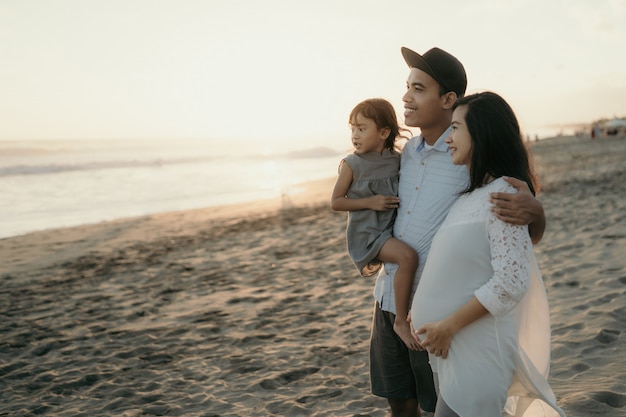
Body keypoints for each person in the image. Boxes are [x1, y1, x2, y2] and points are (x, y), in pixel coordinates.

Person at [369, 46, 547, 417]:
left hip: (442, 315)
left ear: (448, 99)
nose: (405, 96)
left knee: (438, 403)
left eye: (418, 88)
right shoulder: (405, 154)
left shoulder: (469, 160)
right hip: (388, 298)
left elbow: (517, 238)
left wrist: (536, 212)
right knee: (398, 401)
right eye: (407, 86)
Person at [411, 91, 566, 417]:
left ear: (481, 133)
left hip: (475, 349)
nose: (448, 138)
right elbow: (461, 266)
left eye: (455, 129)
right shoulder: (470, 198)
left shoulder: (505, 195)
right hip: (453, 351)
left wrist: (447, 326)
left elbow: (511, 281)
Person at [332, 98, 421, 350]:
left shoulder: (396, 159)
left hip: (389, 229)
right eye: (352, 128)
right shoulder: (352, 165)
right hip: (368, 234)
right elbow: (336, 202)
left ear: (383, 132)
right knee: (407, 257)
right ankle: (401, 321)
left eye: (362, 128)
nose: (355, 135)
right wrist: (370, 202)